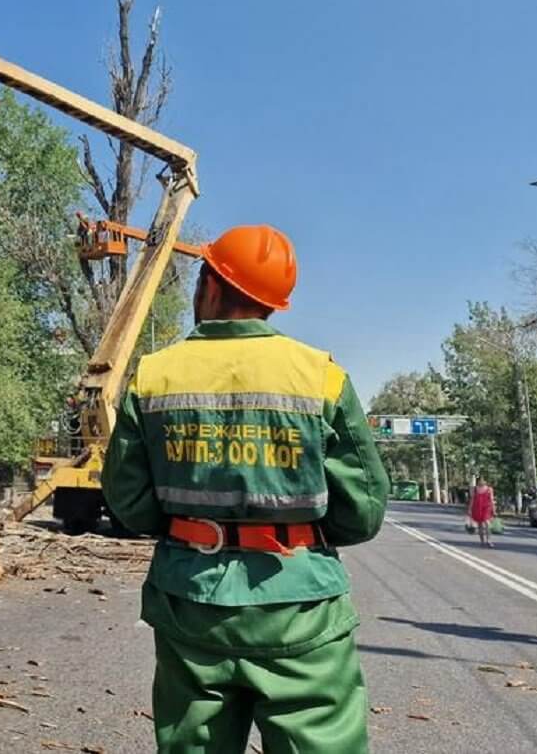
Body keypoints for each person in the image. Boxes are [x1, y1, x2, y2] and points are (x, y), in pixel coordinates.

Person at [101, 224, 389, 754]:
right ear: (273, 303)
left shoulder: (154, 375)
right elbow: (363, 511)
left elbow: (129, 504)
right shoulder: (319, 376)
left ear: (210, 284)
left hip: (190, 599)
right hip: (300, 604)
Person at [469, 476, 496, 547]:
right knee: (480, 525)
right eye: (480, 480)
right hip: (477, 508)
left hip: (486, 508)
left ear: (485, 481)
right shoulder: (474, 489)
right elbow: (472, 500)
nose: (482, 481)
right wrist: (469, 509)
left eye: (483, 480)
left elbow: (491, 500)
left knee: (487, 523)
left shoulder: (489, 489)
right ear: (478, 481)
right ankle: (482, 542)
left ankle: (489, 540)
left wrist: (494, 509)